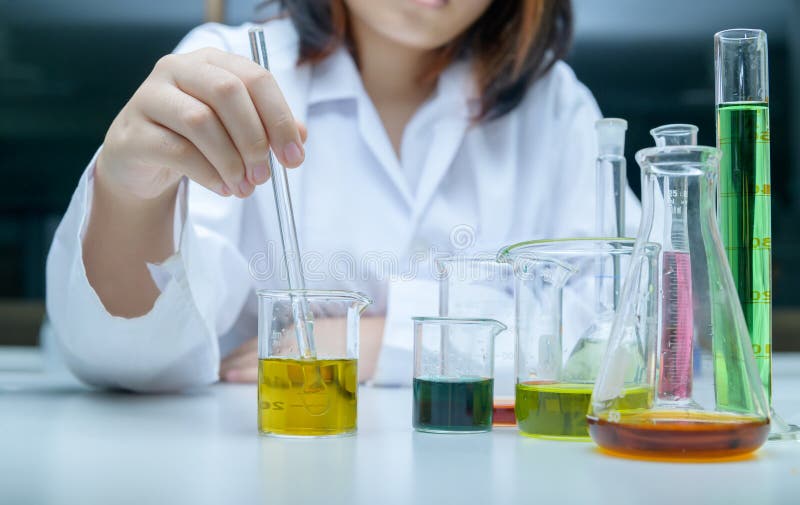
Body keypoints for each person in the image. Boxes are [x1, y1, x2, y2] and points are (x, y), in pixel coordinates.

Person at [46, 0, 639, 392]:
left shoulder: (555, 108)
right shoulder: (226, 70)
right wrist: (130, 197)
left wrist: (392, 341)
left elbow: (630, 337)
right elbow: (127, 358)